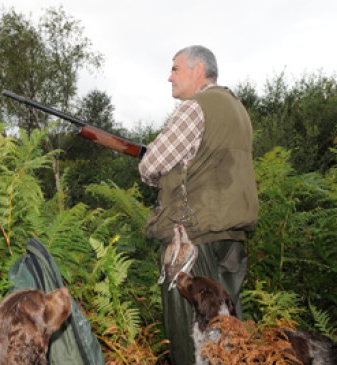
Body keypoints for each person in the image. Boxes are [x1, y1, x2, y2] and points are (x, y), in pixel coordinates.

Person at [139, 45, 259, 364]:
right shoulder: (238, 110)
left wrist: (150, 162)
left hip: (194, 237)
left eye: (175, 69)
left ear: (198, 70)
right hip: (231, 238)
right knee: (227, 329)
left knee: (188, 333)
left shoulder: (195, 107)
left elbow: (151, 164)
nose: (169, 77)